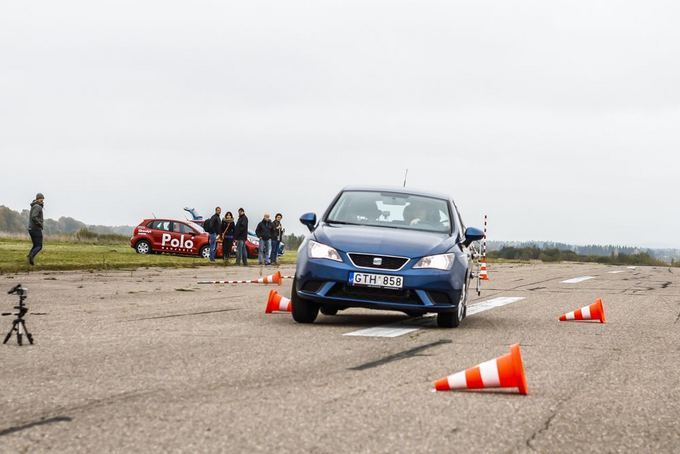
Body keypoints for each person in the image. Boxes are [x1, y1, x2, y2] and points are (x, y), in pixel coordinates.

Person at [27, 193, 45, 266]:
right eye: (41, 199)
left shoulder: (34, 206)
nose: (42, 200)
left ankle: (29, 257)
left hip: (31, 229)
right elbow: (34, 217)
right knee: (39, 246)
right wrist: (40, 224)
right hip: (36, 229)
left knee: (35, 245)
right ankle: (31, 256)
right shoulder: (38, 207)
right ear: (37, 199)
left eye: (43, 199)